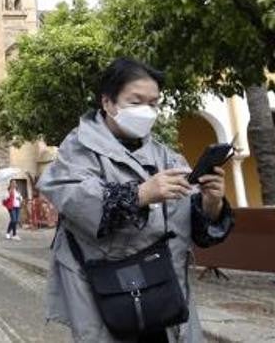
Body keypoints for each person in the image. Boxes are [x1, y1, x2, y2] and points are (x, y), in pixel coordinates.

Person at [40, 58, 232, 343]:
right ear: (108, 103)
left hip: (166, 294)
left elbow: (196, 230)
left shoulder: (167, 156)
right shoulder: (78, 149)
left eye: (153, 103)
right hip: (109, 295)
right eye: (136, 101)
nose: (147, 111)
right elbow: (74, 198)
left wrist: (211, 204)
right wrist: (141, 194)